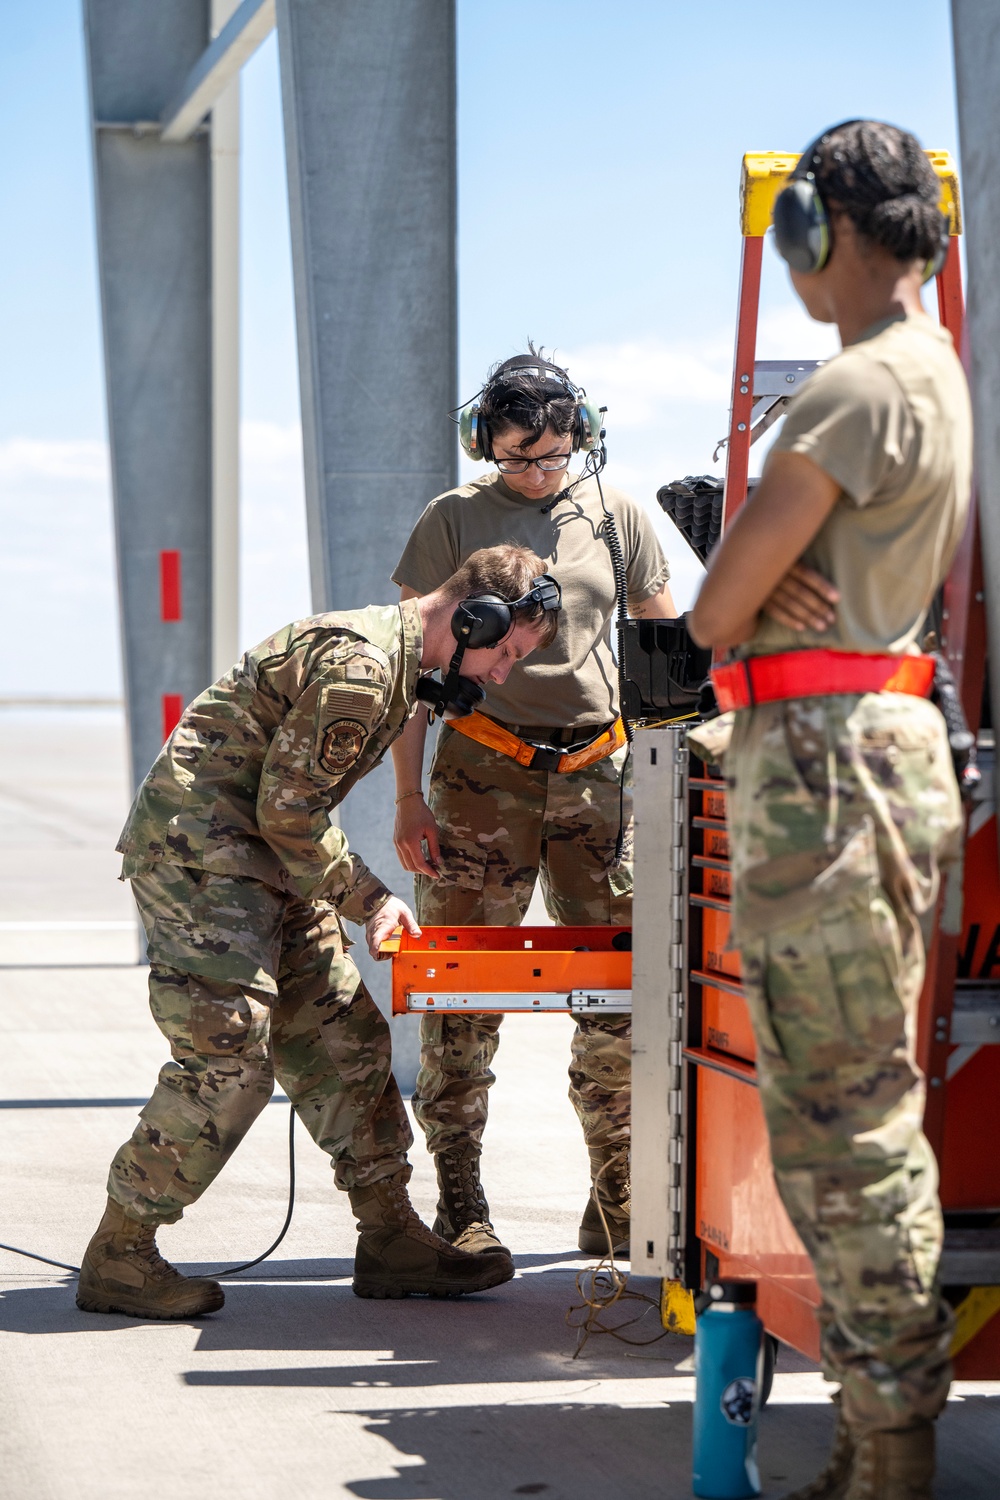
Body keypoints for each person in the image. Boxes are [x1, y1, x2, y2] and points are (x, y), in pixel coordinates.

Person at [689, 120, 971, 1499]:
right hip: (885, 749)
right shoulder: (939, 375)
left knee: (842, 1122)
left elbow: (714, 607)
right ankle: (872, 1432)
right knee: (862, 1110)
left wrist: (753, 583)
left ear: (840, 232)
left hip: (825, 764)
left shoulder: (854, 390)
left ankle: (894, 1445)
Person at [76, 545, 560, 1319]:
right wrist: (371, 901)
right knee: (228, 1062)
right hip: (203, 855)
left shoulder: (402, 674)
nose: (502, 673)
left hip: (268, 860)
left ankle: (390, 1236)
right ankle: (121, 1252)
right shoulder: (365, 673)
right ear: (473, 618)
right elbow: (289, 811)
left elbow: (289, 822)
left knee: (345, 1041)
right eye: (505, 652)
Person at [391, 351, 675, 1260]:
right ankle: (461, 1201)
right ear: (487, 442)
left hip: (602, 781)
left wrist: (671, 789)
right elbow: (418, 663)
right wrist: (408, 796)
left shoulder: (616, 515)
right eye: (520, 457)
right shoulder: (455, 519)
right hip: (485, 779)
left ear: (581, 438)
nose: (540, 473)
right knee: (463, 993)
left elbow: (663, 650)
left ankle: (618, 1189)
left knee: (620, 995)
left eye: (555, 455)